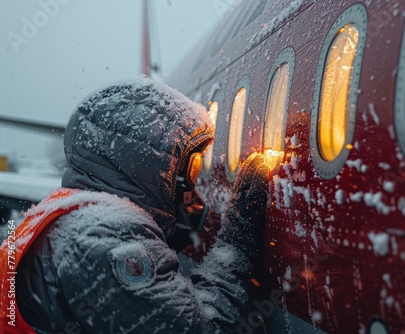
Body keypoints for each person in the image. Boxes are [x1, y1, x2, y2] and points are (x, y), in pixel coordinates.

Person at [0, 78, 270, 333]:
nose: (192, 188)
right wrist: (237, 241)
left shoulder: (76, 215)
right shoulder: (106, 239)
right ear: (148, 167)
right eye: (190, 168)